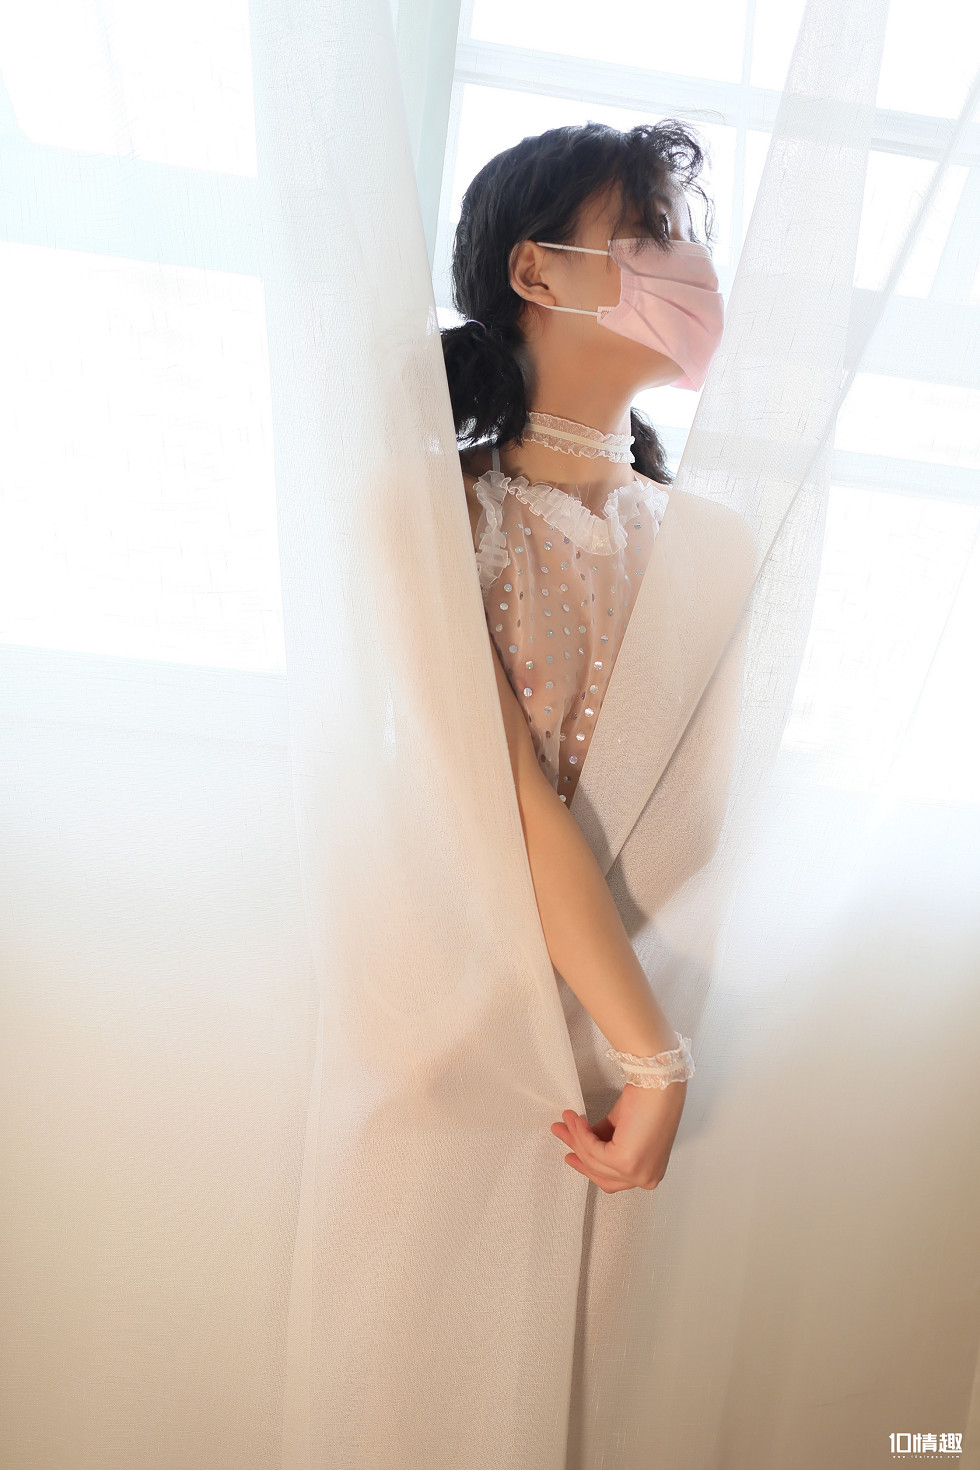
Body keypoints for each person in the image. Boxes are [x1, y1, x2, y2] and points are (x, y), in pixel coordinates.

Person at [440, 120, 724, 1196]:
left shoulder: (713, 541)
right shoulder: (440, 512)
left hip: (655, 1019)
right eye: (650, 230)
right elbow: (510, 798)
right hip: (465, 1022)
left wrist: (655, 1051)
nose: (691, 264)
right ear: (536, 272)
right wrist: (655, 1061)